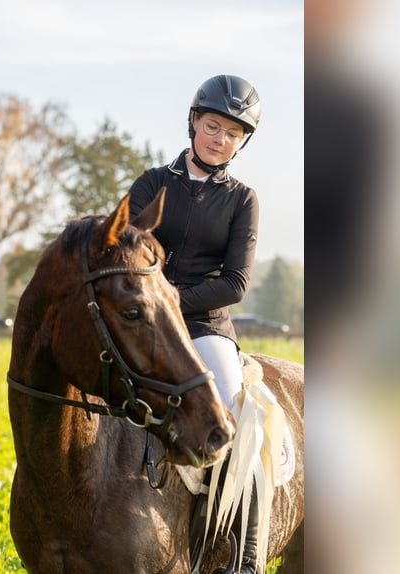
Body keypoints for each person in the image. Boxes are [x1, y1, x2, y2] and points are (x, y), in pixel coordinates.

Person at [127, 74, 262, 574]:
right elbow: (129, 251)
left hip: (206, 326)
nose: (219, 139)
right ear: (193, 121)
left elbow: (235, 283)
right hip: (144, 323)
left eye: (232, 133)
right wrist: (151, 304)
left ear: (241, 143)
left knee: (231, 409)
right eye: (212, 126)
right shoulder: (151, 183)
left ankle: (239, 551)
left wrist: (171, 300)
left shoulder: (243, 199)